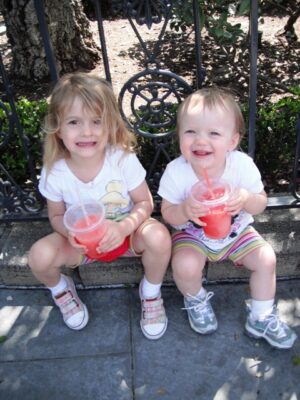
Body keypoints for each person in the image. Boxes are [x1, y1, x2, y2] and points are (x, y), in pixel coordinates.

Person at [28, 72, 171, 340]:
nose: (86, 131)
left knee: (159, 236)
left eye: (97, 121)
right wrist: (69, 234)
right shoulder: (55, 172)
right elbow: (56, 216)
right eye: (74, 122)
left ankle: (151, 292)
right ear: (58, 129)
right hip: (82, 245)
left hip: (127, 236)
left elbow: (144, 202)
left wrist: (125, 226)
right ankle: (60, 289)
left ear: (110, 126)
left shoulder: (121, 160)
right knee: (39, 256)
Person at [158, 87, 297, 349]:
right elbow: (168, 214)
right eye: (191, 132)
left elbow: (260, 204)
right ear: (179, 136)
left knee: (266, 259)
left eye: (213, 133)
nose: (201, 140)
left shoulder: (241, 165)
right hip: (193, 235)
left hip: (237, 232)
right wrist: (186, 210)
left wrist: (245, 198)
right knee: (185, 266)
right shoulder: (176, 172)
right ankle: (195, 298)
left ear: (232, 141)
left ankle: (261, 315)